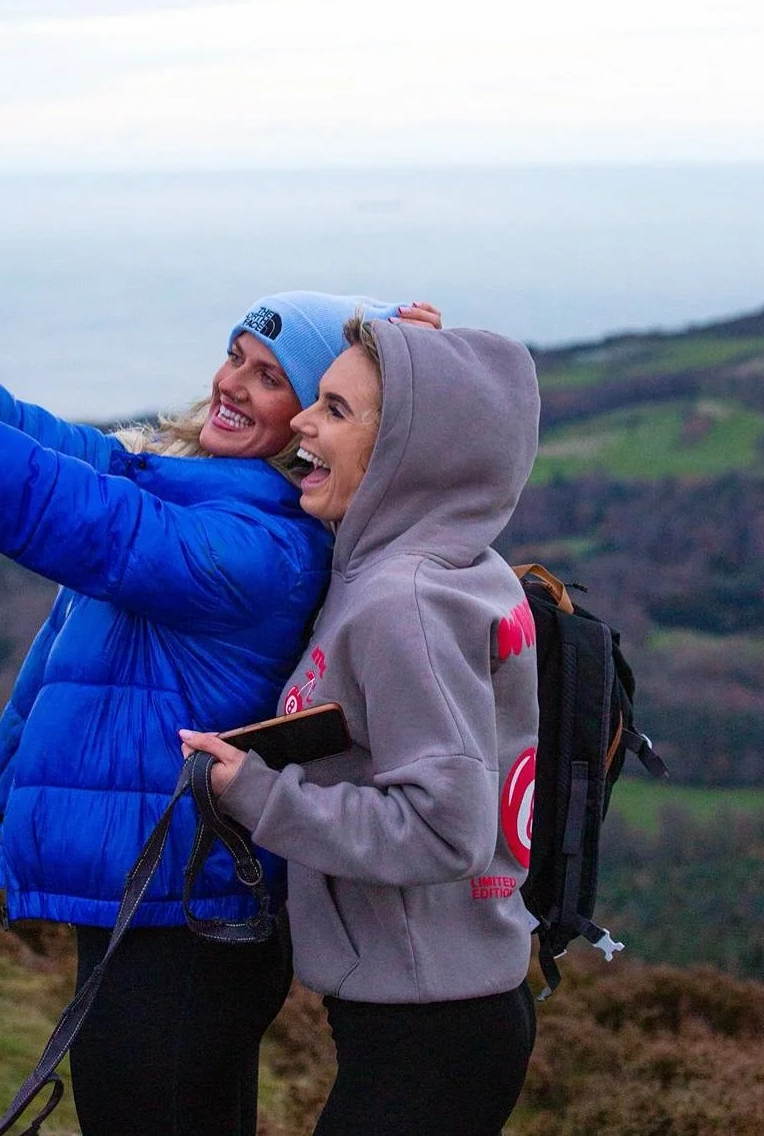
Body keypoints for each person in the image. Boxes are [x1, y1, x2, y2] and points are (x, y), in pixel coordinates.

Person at [0, 283, 440, 1136]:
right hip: (149, 896)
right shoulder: (203, 491)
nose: (232, 382)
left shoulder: (261, 548)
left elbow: (66, 506)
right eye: (235, 354)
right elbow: (56, 446)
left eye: (270, 378)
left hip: (182, 917)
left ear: (308, 423)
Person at [181, 316, 541, 1136]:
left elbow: (444, 828)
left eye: (337, 410)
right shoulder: (456, 562)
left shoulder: (401, 603)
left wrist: (257, 792)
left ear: (409, 454)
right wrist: (419, 348)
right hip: (447, 998)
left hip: (429, 1022)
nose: (303, 420)